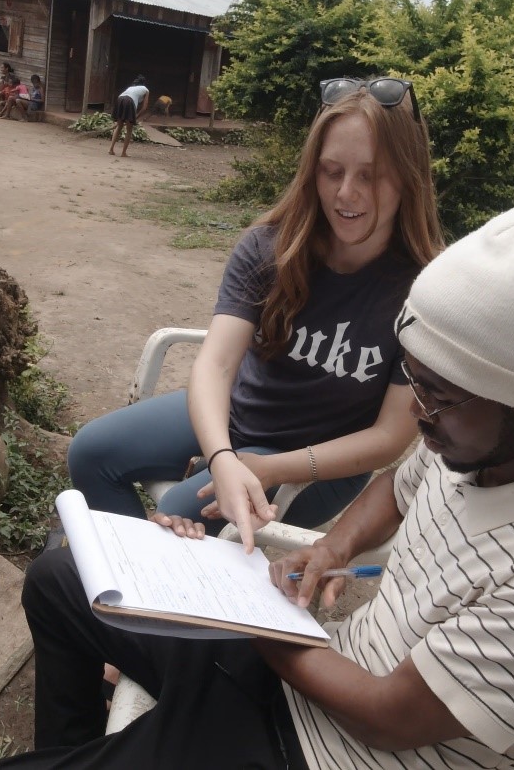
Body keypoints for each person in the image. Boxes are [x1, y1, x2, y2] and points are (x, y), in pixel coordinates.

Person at [0, 197, 514, 769]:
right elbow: (399, 486)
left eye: (437, 394)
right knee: (61, 581)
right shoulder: (481, 446)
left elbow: (388, 720)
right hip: (303, 677)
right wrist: (328, 552)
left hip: (317, 752)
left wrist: (243, 611)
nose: (414, 414)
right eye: (411, 379)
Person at [69, 78, 443, 547]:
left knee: (177, 514)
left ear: (408, 175)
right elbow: (218, 362)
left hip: (320, 461)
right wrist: (223, 455)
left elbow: (389, 437)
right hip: (240, 417)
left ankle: (157, 589)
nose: (347, 193)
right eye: (332, 171)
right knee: (91, 453)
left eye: (370, 175)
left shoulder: (427, 294)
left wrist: (266, 467)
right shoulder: (270, 248)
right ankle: (128, 582)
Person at [107, 76, 150, 157]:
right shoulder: (146, 89)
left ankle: (111, 149)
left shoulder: (131, 88)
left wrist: (128, 118)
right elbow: (144, 108)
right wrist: (135, 117)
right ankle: (123, 153)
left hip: (120, 99)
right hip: (129, 101)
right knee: (129, 129)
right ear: (143, 83)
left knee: (119, 126)